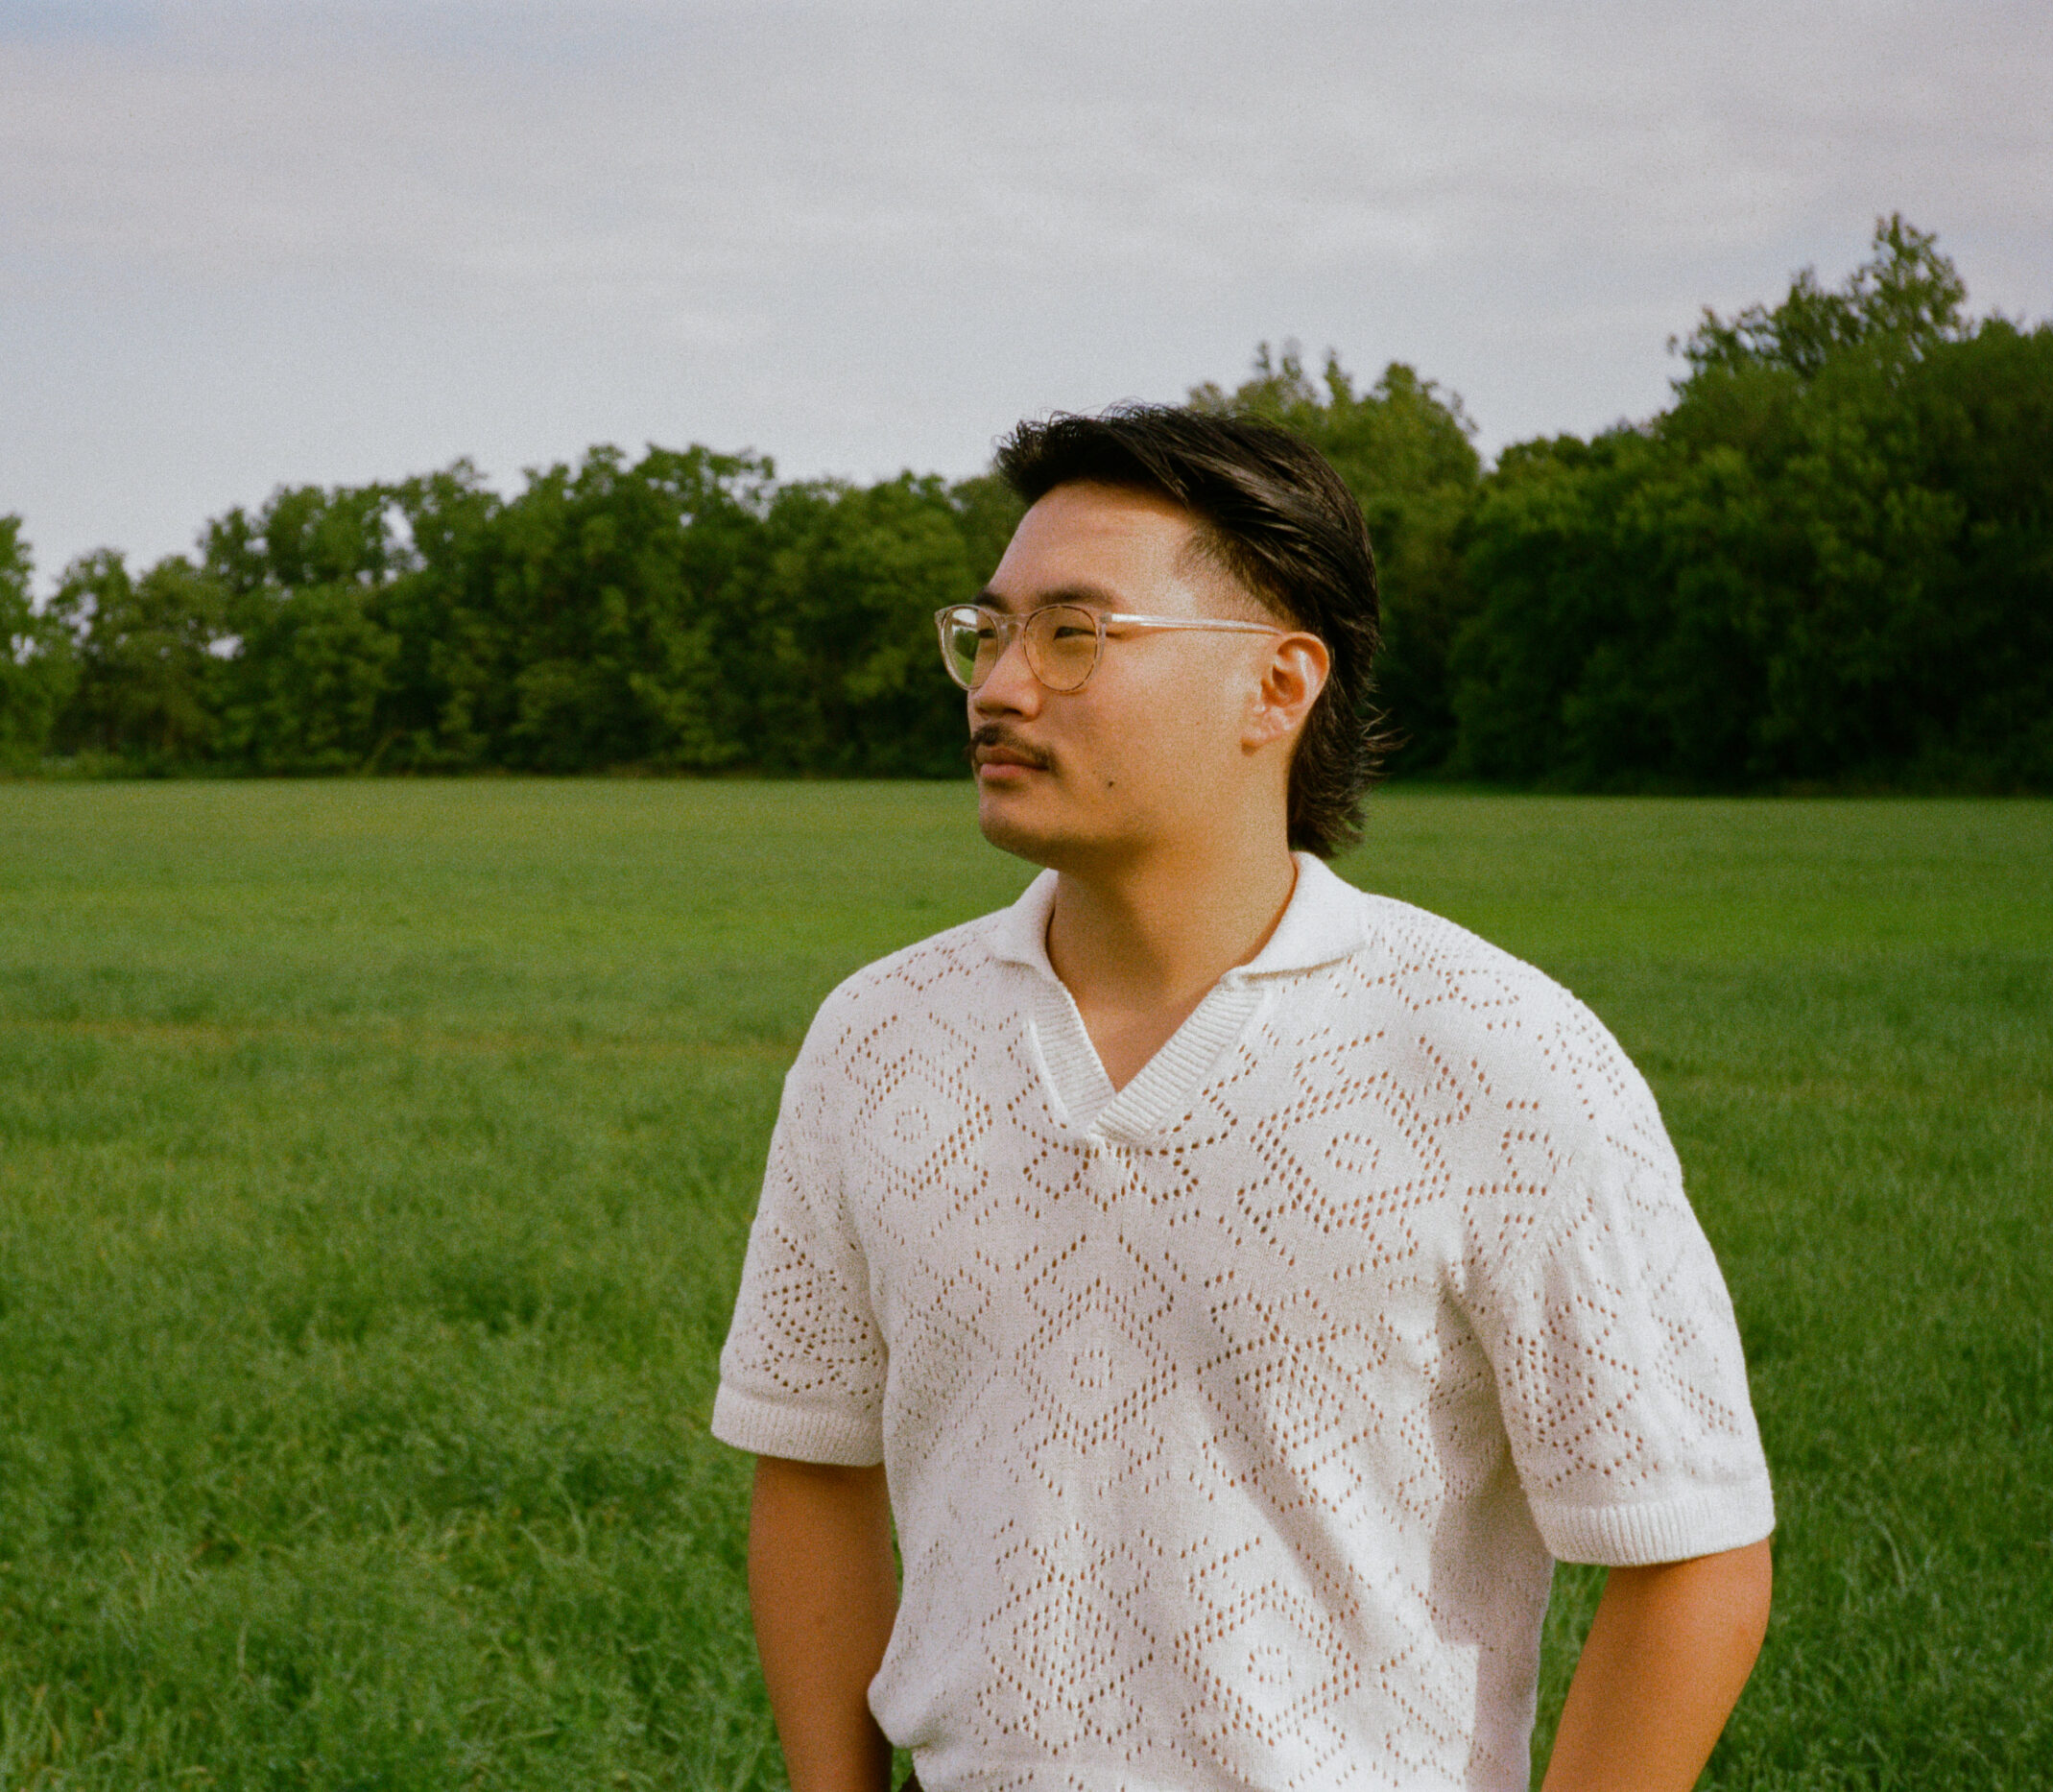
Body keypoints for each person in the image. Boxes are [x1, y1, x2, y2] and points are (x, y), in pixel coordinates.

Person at [712, 405, 1775, 1792]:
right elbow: (810, 1460)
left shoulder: (1498, 1056)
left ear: (1280, 685)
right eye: (988, 631)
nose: (999, 685)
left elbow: (1691, 1552)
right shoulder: (880, 1037)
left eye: (1075, 634)